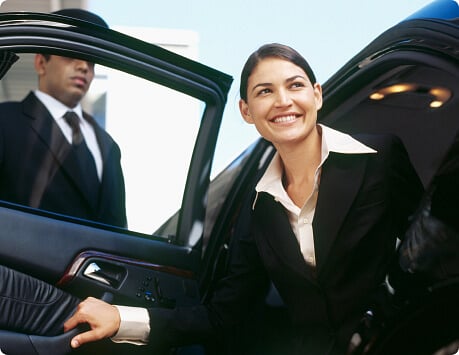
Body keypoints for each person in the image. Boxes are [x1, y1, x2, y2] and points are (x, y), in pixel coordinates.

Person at [0, 43, 424, 354]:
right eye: (264, 92)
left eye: (295, 85)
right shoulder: (257, 208)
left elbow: (434, 246)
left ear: (316, 94)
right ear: (245, 111)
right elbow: (222, 316)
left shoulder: (381, 158)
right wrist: (121, 319)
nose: (282, 101)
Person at [0, 8, 127, 227]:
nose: (83, 66)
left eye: (91, 60)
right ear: (41, 63)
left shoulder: (108, 145)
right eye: (70, 55)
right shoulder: (5, 120)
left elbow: (118, 232)